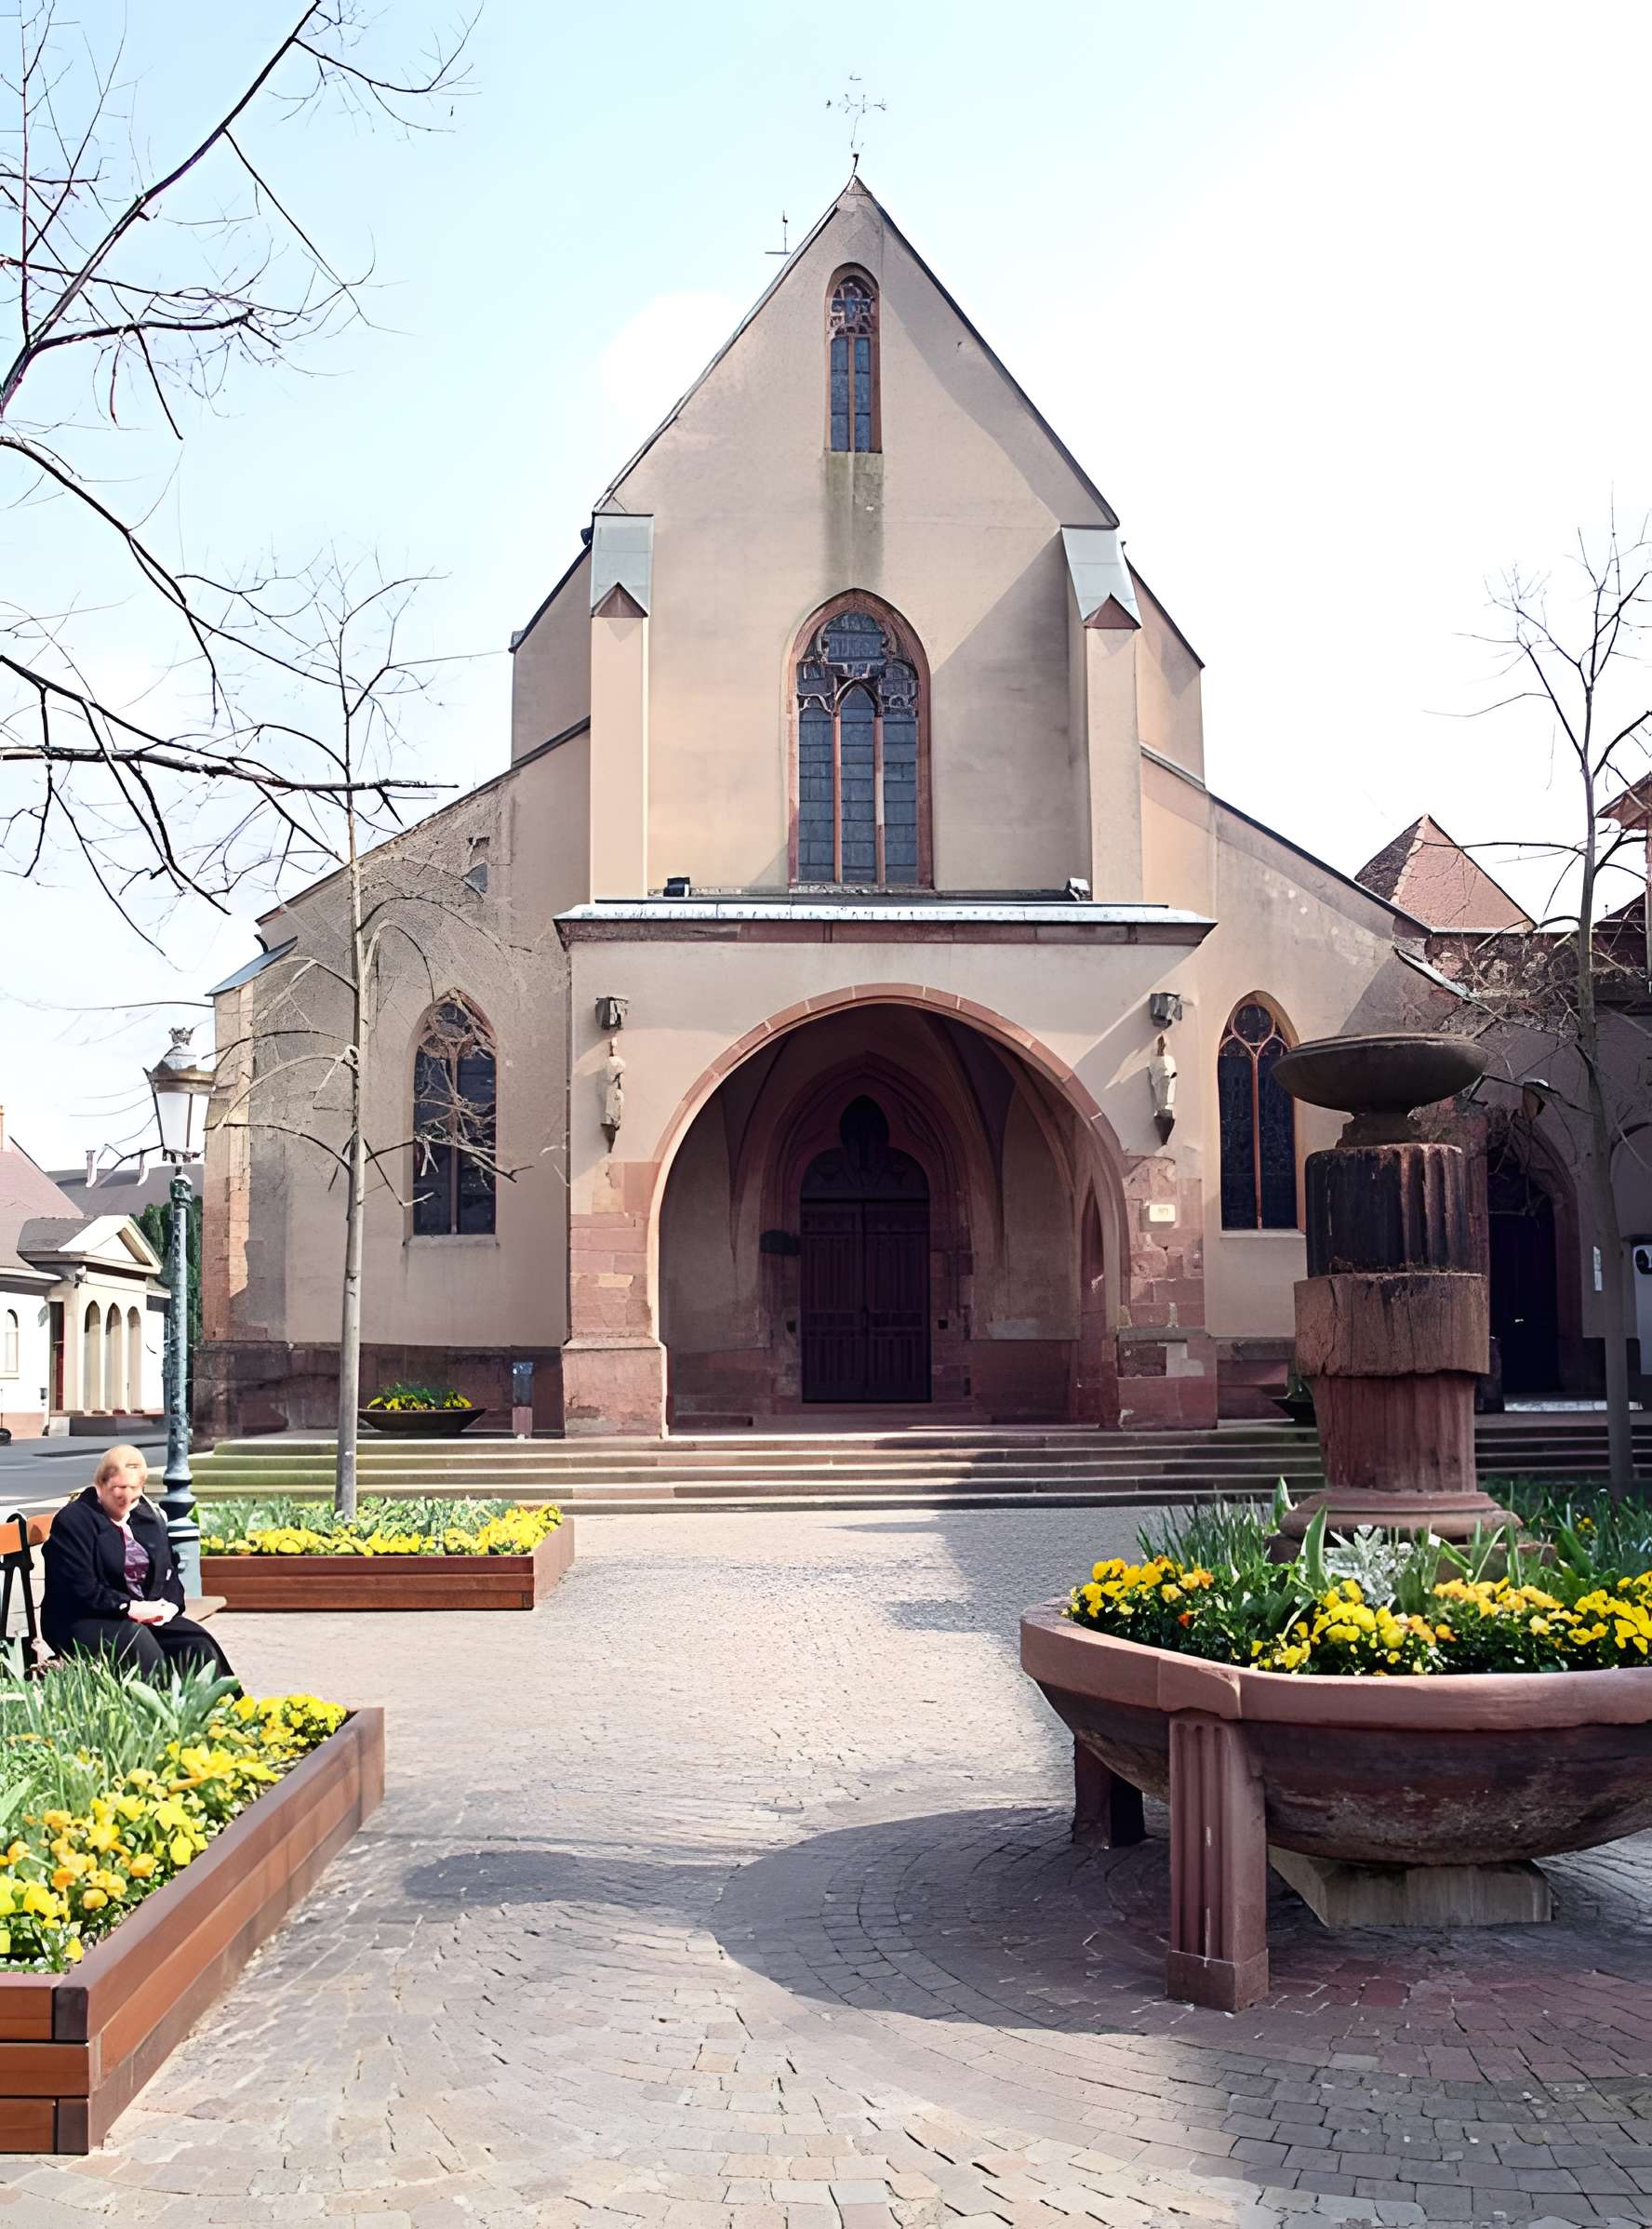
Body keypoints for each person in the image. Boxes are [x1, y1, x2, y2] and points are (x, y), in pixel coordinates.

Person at [41, 1445, 234, 1681]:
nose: (126, 1497)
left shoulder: (147, 1517)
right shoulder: (75, 1520)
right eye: (119, 1488)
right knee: (138, 1641)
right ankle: (162, 1712)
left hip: (140, 1614)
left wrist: (170, 1606)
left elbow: (168, 1573)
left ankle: (219, 1712)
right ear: (100, 1485)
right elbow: (80, 1588)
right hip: (81, 1619)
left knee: (197, 1644)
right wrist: (130, 1608)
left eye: (134, 1488)